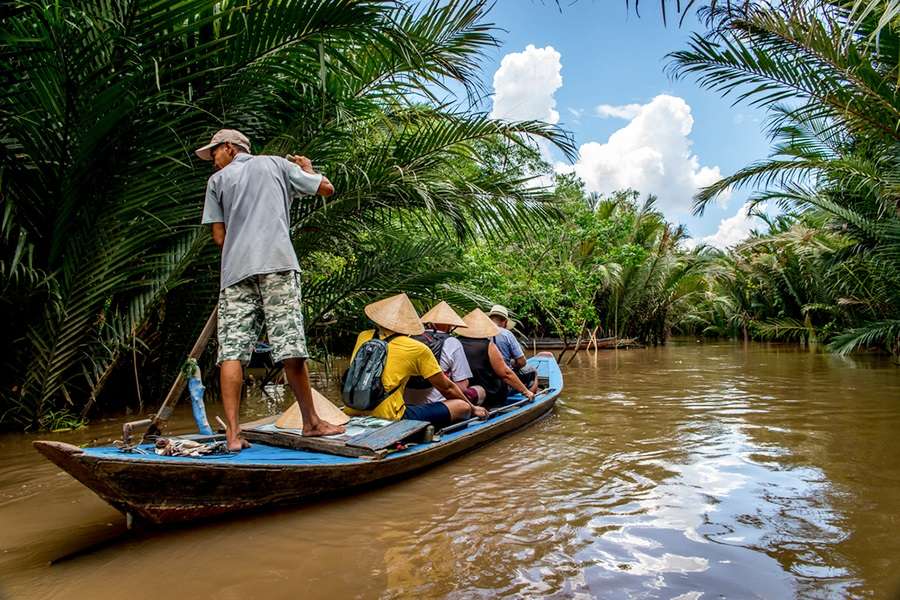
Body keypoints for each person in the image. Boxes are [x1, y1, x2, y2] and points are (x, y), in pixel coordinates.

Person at [197, 128, 345, 451]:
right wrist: (307, 169)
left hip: (235, 272)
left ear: (230, 148)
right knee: (290, 343)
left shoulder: (216, 183)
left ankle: (234, 435)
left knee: (232, 351)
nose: (212, 161)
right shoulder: (276, 165)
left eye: (214, 154)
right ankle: (312, 423)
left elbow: (219, 239)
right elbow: (325, 188)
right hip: (276, 262)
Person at [346, 294, 487, 427]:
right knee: (462, 406)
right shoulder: (416, 348)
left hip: (352, 407)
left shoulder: (363, 337)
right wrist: (473, 408)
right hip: (390, 416)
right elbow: (447, 388)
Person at [457, 309, 536, 407]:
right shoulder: (487, 345)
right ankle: (529, 403)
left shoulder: (456, 342)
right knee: (532, 372)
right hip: (491, 393)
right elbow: (505, 373)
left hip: (468, 388)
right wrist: (525, 391)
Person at [404, 301, 472, 406]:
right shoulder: (452, 342)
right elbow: (462, 385)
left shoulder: (410, 338)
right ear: (450, 325)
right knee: (479, 390)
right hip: (437, 405)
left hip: (406, 404)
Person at [488, 305, 538, 392]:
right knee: (533, 371)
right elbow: (522, 362)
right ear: (505, 322)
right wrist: (514, 366)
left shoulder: (480, 333)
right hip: (503, 377)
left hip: (485, 375)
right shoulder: (506, 334)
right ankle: (530, 397)